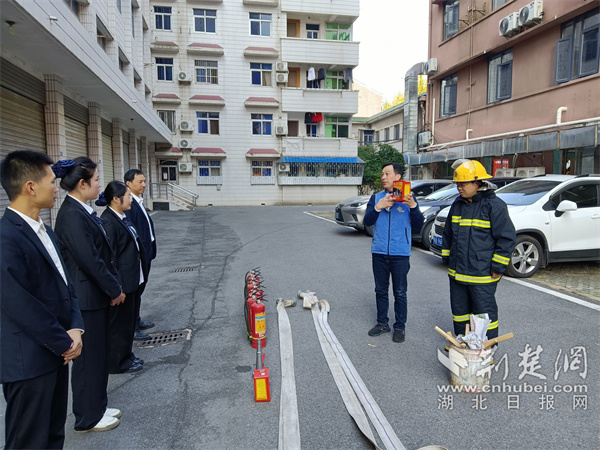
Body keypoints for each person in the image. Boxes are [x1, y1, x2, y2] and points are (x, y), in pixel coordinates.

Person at [0, 151, 84, 449]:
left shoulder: (45, 230)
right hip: (29, 362)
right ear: (30, 186)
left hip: (58, 352)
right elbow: (19, 303)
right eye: (51, 180)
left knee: (52, 435)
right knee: (28, 441)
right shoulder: (6, 237)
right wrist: (63, 342)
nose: (56, 185)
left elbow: (66, 283)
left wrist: (75, 327)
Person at [54, 157, 126, 433]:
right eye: (96, 180)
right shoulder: (71, 215)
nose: (99, 185)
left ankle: (97, 405)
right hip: (86, 299)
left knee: (98, 355)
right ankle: (87, 417)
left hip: (94, 297)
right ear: (82, 184)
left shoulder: (81, 210)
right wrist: (114, 288)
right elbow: (90, 260)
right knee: (88, 360)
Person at [441, 159, 516, 341]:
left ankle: (486, 348)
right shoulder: (457, 205)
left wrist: (498, 267)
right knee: (460, 313)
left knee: (484, 314)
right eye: (457, 184)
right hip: (458, 274)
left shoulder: (494, 206)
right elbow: (448, 234)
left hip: (482, 274)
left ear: (478, 183)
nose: (459, 187)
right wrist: (447, 259)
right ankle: (463, 344)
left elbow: (506, 238)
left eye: (463, 183)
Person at [363, 162, 424, 343]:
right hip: (379, 251)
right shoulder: (376, 198)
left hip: (400, 253)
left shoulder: (407, 198)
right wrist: (377, 207)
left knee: (400, 292)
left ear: (398, 177)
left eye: (387, 174)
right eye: (382, 174)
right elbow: (367, 221)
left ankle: (400, 326)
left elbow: (419, 224)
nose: (383, 177)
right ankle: (382, 323)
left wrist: (413, 206)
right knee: (380, 290)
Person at [98, 181, 148, 374]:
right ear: (116, 199)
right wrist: (116, 286)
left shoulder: (122, 217)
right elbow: (110, 258)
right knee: (119, 326)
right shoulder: (109, 222)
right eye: (127, 196)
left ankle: (127, 356)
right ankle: (118, 362)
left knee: (128, 323)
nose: (130, 200)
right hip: (123, 283)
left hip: (133, 279)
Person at [124, 169, 156, 340]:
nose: (143, 185)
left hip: (146, 252)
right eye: (140, 182)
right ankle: (133, 327)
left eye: (144, 181)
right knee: (135, 291)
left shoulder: (138, 201)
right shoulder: (129, 204)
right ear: (128, 183)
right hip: (138, 256)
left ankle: (137, 319)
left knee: (140, 289)